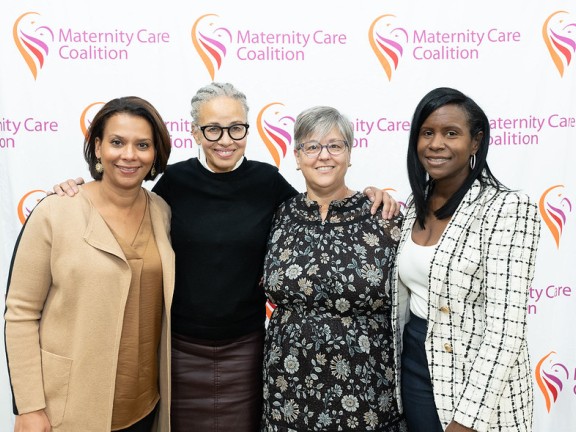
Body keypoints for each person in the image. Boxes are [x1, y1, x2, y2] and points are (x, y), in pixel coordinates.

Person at [53, 82, 399, 432]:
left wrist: (369, 194)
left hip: (246, 350)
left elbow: (319, 207)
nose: (225, 139)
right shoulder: (175, 181)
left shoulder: (267, 181)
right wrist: (80, 192)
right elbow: (125, 212)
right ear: (195, 133)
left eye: (236, 128)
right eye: (212, 129)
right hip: (180, 350)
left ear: (247, 129)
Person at [4, 96, 175, 432]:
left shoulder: (162, 211)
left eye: (142, 144)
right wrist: (29, 407)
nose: (129, 155)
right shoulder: (56, 211)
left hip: (145, 406)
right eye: (116, 142)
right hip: (69, 408)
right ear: (97, 148)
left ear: (155, 154)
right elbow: (21, 311)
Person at [392, 87, 540, 432]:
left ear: (476, 142)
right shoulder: (414, 206)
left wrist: (467, 420)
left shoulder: (508, 209)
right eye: (427, 133)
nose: (436, 144)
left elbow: (506, 331)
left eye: (451, 133)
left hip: (477, 375)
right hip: (415, 362)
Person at [261, 106, 407, 431]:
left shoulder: (384, 216)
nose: (323, 156)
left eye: (335, 145)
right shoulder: (278, 215)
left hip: (367, 393)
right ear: (297, 156)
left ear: (349, 154)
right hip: (287, 392)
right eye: (312, 147)